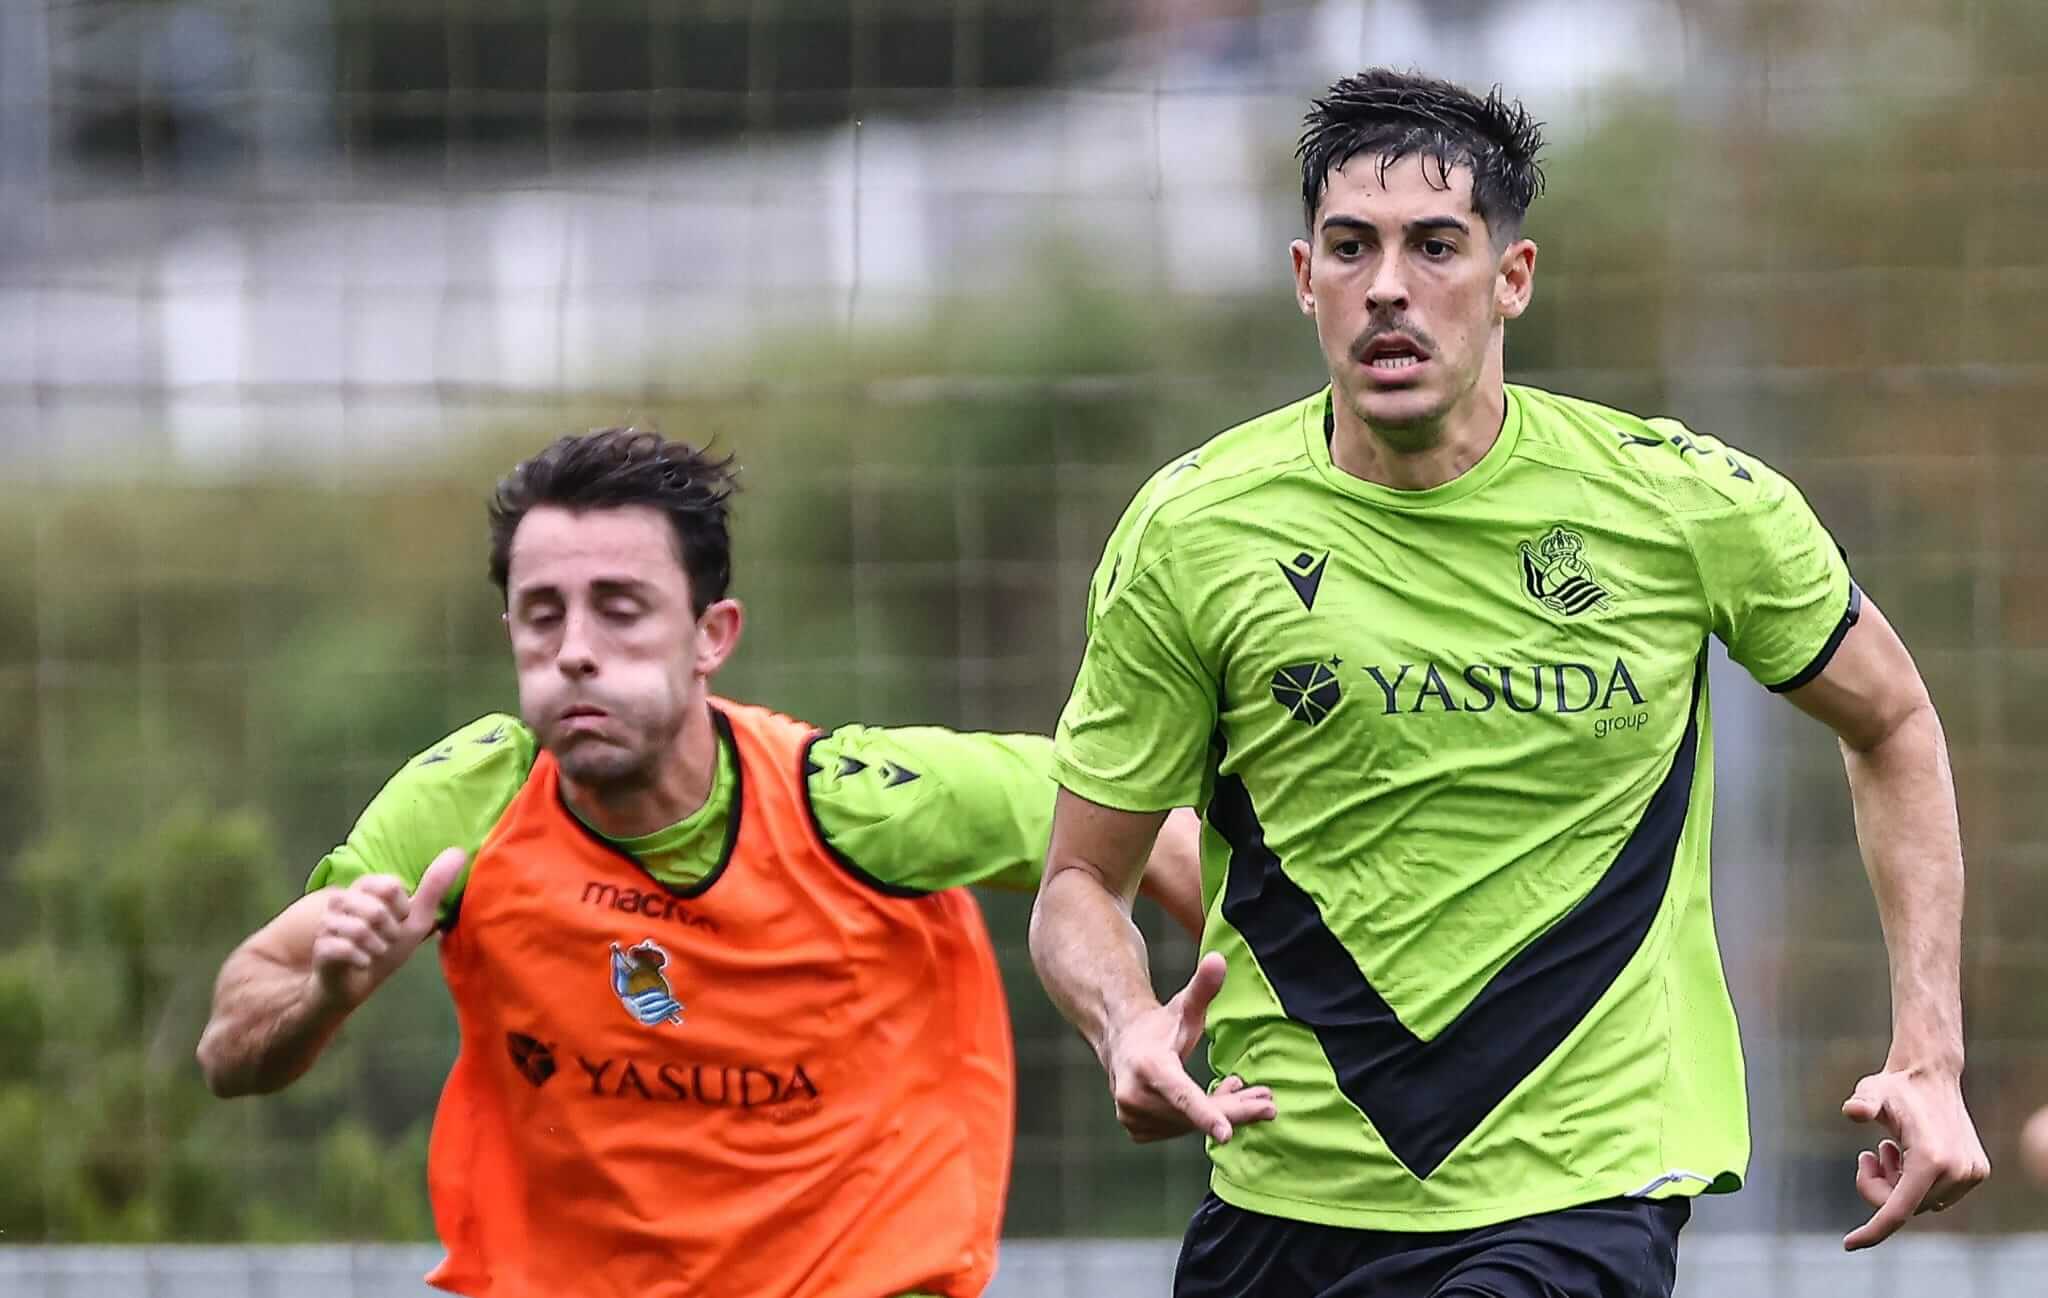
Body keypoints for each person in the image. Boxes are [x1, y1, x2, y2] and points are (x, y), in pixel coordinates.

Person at [1027, 68, 1989, 1298]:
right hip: (1283, 1186)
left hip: (1585, 1178)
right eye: (1348, 246)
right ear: (1301, 277)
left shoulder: (1678, 503)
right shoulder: (1192, 531)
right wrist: (1123, 1023)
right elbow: (1076, 882)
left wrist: (1927, 1048)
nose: (1387, 285)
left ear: (1510, 278)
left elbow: (1892, 718)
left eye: (1434, 245)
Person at [195, 429, 1204, 1298]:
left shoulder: (848, 801)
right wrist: (326, 992)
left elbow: (1156, 830)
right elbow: (230, 1042)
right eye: (543, 613)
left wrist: (1149, 1026)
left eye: (620, 607)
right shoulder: (472, 801)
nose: (576, 649)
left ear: (710, 634)